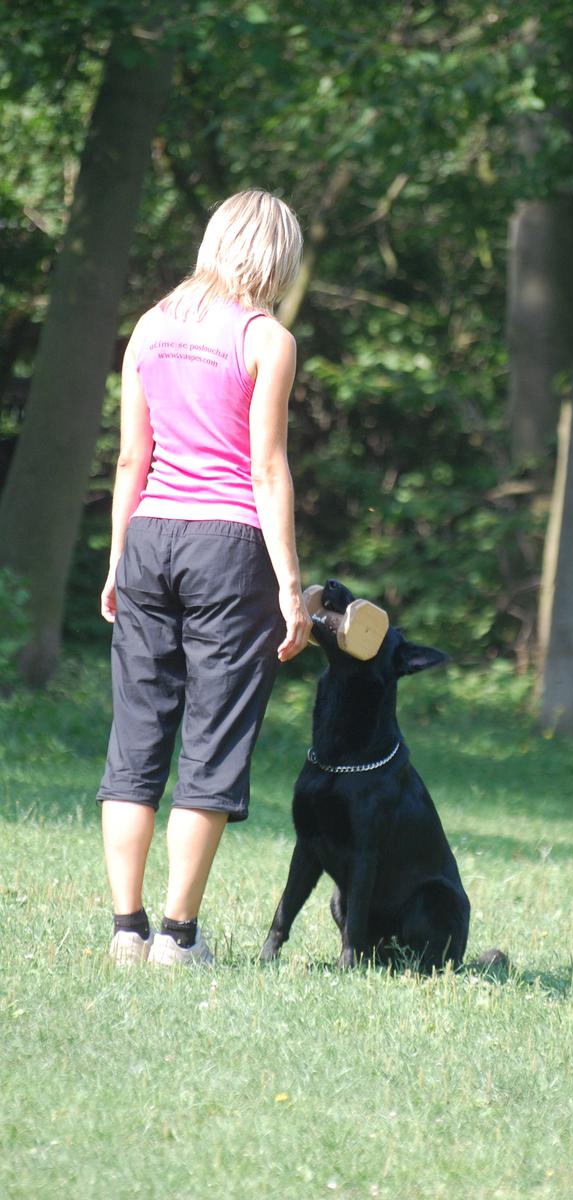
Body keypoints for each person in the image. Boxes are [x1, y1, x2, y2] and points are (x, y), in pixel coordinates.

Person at [96, 188, 312, 967]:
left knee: (137, 735)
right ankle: (177, 939)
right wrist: (289, 582)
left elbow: (130, 458)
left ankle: (127, 929)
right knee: (211, 743)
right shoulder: (265, 339)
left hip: (150, 535)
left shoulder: (150, 328)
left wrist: (119, 556)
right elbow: (265, 466)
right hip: (230, 545)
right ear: (278, 259)